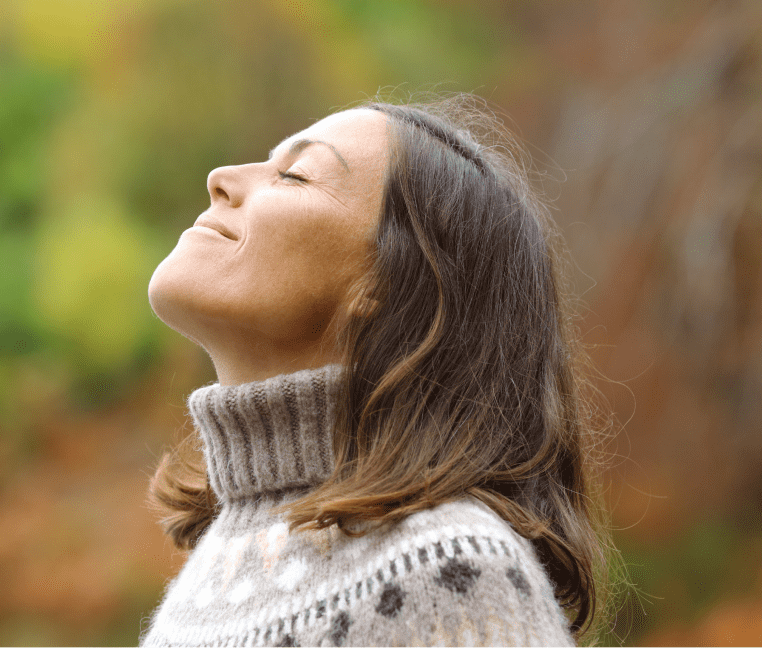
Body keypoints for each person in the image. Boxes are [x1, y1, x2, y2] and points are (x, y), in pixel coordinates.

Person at [140, 97, 615, 648]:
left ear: (388, 283)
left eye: (294, 175)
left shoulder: (447, 566)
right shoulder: (212, 570)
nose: (221, 178)